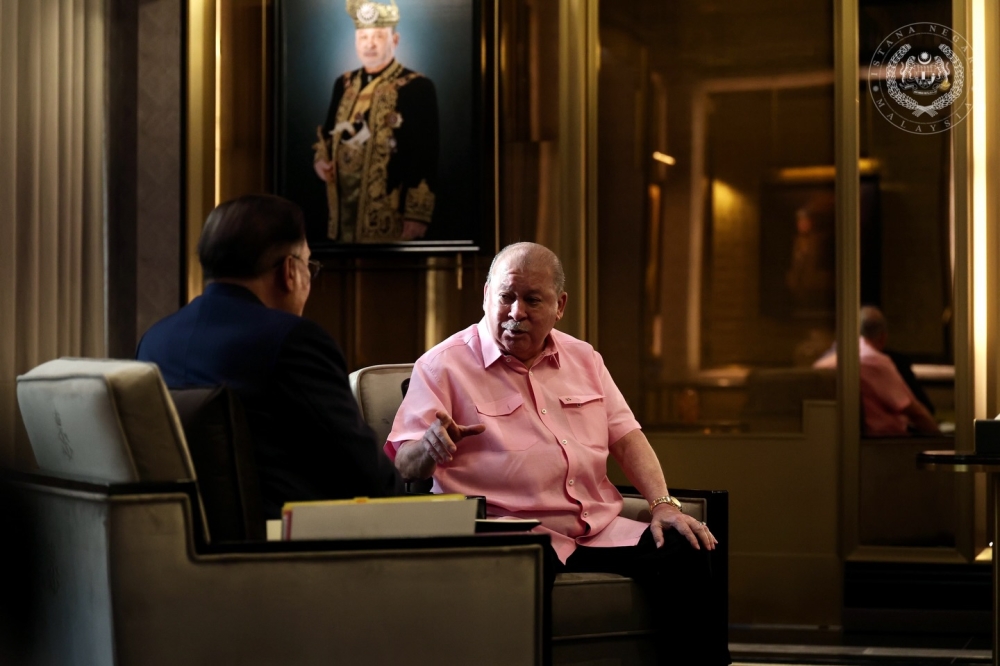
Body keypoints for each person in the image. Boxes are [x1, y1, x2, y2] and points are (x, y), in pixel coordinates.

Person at [385, 242, 730, 665]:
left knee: (687, 548)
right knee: (520, 579)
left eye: (532, 300)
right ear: (486, 295)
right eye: (506, 297)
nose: (516, 312)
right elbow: (404, 462)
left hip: (595, 527)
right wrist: (429, 447)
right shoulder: (442, 366)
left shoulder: (584, 359)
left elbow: (627, 437)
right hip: (511, 532)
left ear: (559, 305)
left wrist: (662, 505)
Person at [137, 194, 401, 518]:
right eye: (309, 265)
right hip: (287, 550)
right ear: (290, 270)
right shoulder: (293, 342)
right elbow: (368, 477)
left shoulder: (155, 341)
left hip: (185, 545)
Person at [313, 0, 439, 243]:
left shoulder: (417, 87)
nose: (369, 44)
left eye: (378, 36)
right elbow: (327, 137)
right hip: (340, 213)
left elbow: (426, 156)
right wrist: (321, 161)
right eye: (363, 36)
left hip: (389, 213)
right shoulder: (344, 83)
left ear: (394, 40)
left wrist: (417, 215)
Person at [813, 306, 940, 437]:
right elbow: (916, 413)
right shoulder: (874, 360)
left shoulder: (823, 363)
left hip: (831, 441)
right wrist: (940, 442)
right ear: (883, 337)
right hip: (882, 446)